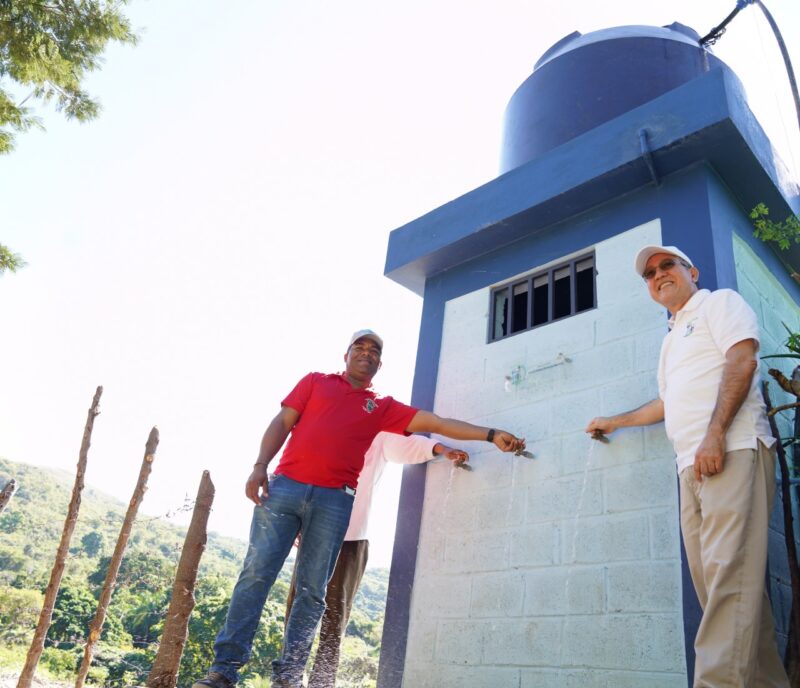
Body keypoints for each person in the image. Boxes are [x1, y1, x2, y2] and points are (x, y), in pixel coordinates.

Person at [193, 329, 525, 688]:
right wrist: (260, 465)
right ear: (346, 354)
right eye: (359, 347)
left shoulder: (382, 407)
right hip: (285, 488)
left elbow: (438, 423)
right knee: (256, 575)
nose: (366, 353)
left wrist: (490, 435)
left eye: (374, 350)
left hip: (335, 500)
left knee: (312, 591)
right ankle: (223, 672)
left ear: (379, 364)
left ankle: (288, 678)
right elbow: (282, 422)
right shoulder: (315, 382)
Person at [585, 246, 789, 687]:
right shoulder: (670, 339)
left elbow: (742, 359)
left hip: (730, 450)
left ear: (690, 271)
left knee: (728, 584)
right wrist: (614, 422)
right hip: (689, 468)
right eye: (650, 273)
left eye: (667, 265)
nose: (658, 274)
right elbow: (666, 402)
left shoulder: (719, 304)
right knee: (725, 592)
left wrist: (714, 434)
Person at [284, 432, 467, 688]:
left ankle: (321, 683)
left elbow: (410, 445)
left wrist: (442, 449)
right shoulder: (326, 429)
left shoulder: (378, 434)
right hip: (314, 536)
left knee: (334, 618)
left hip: (352, 539)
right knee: (298, 611)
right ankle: (287, 679)